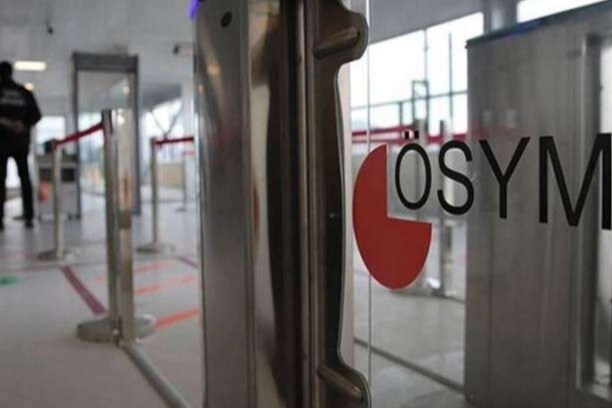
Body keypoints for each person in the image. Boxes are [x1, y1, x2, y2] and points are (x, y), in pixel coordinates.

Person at [0, 61, 42, 230]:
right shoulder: (24, 92)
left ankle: (0, 220)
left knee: (0, 180)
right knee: (24, 178)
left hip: (2, 142)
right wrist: (24, 124)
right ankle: (29, 217)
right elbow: (37, 115)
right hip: (21, 142)